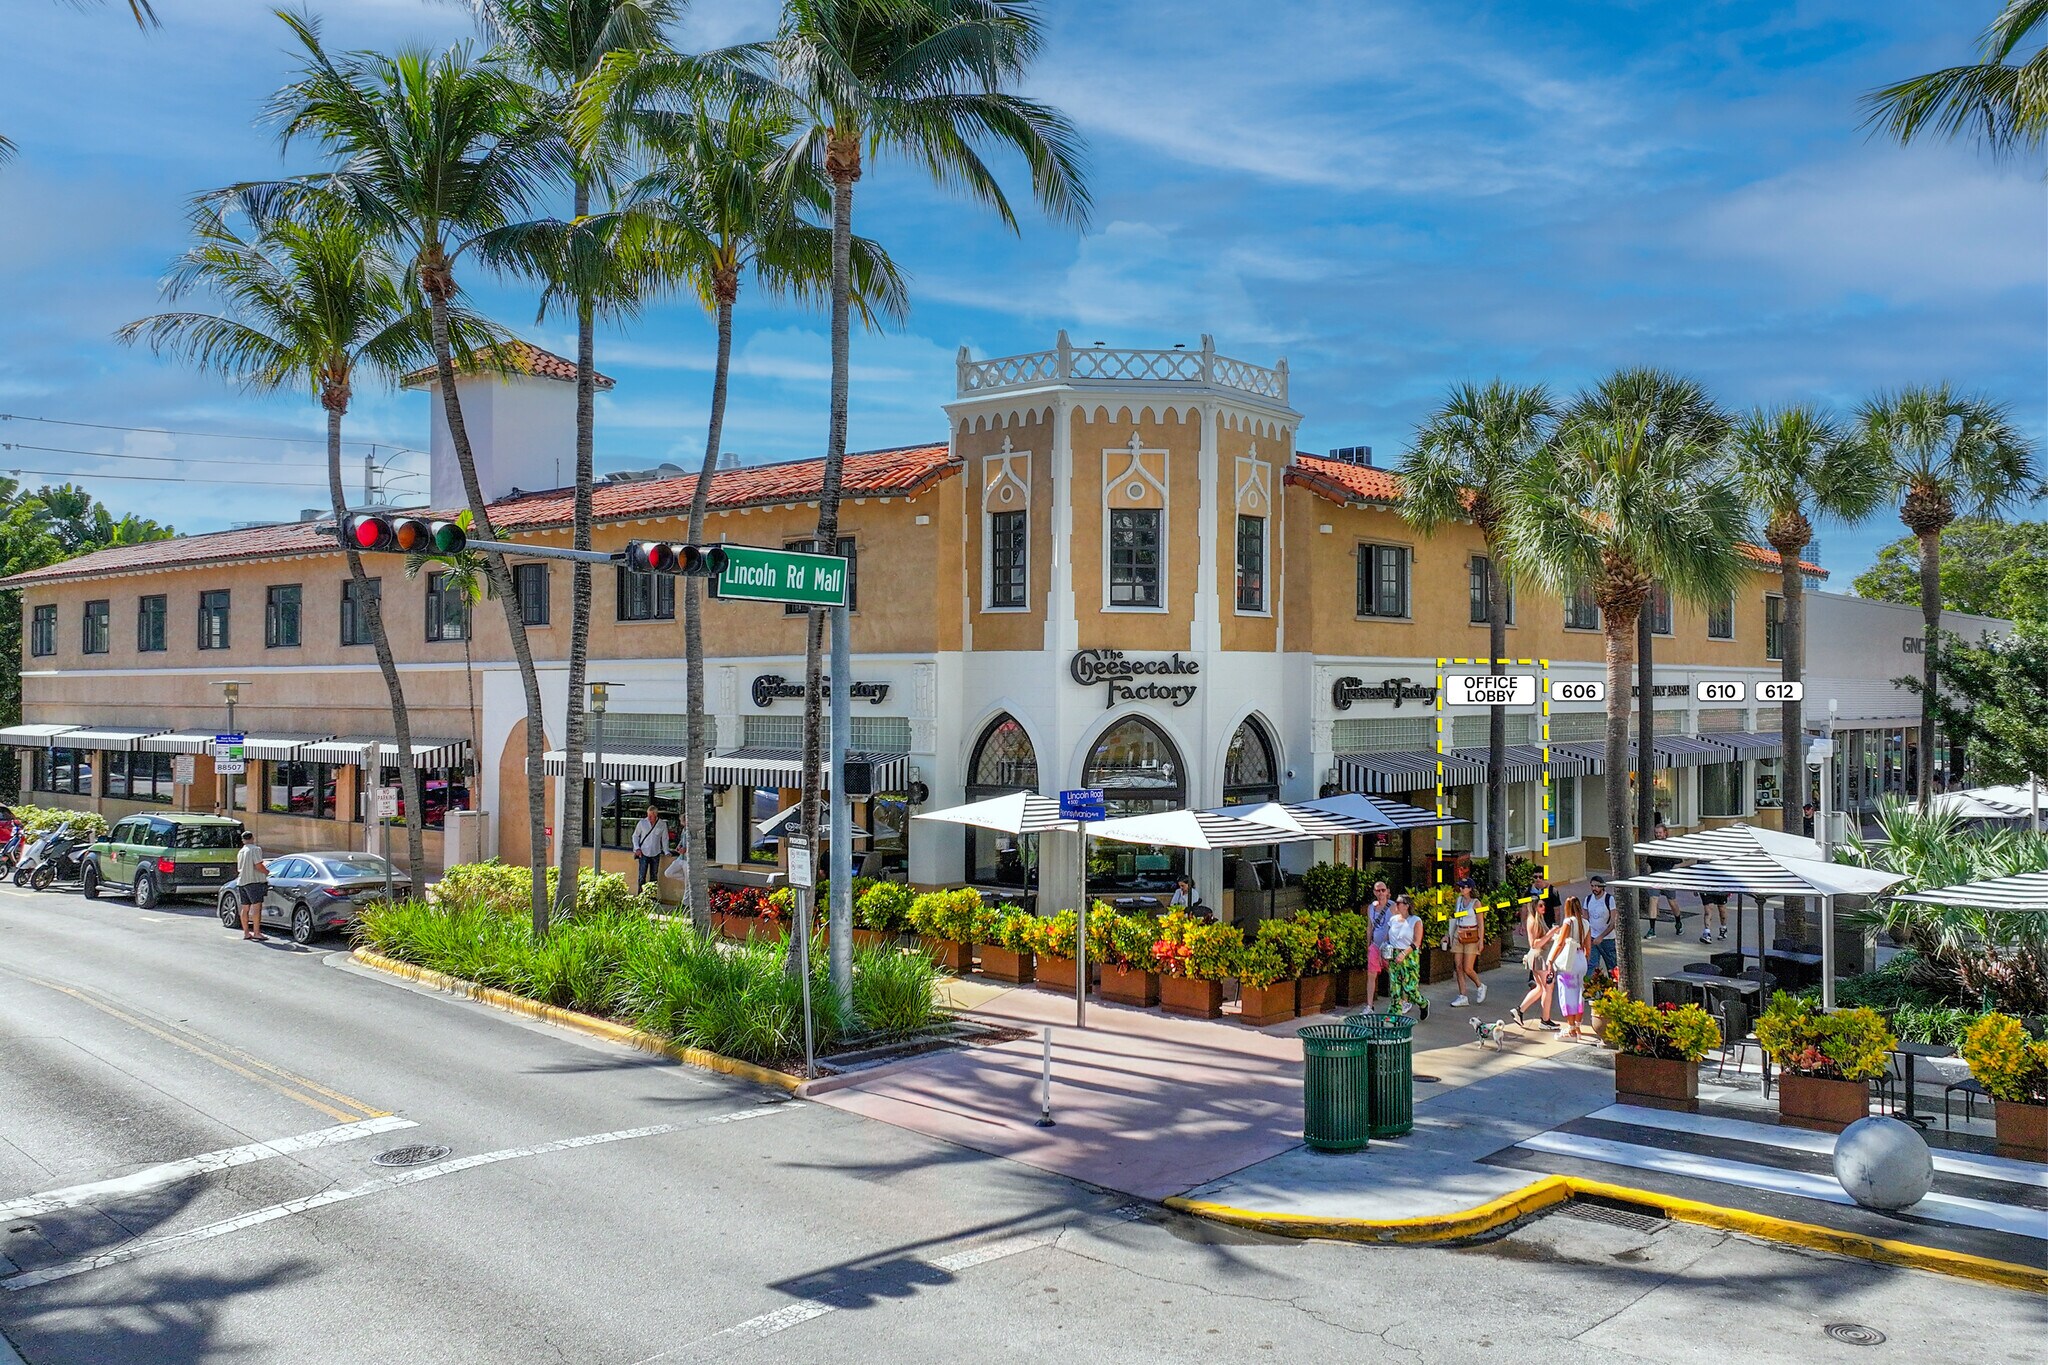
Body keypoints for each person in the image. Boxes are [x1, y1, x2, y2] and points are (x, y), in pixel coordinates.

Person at [1511, 893, 1558, 1030]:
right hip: (1539, 957)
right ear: (1534, 907)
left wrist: (1553, 934)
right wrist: (1550, 934)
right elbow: (1534, 943)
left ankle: (1519, 1011)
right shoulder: (1533, 921)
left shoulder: (1538, 919)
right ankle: (1545, 1020)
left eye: (1544, 905)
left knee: (1540, 988)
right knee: (1548, 988)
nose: (1544, 907)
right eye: (1541, 905)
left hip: (1539, 957)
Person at [1550, 896, 1592, 1040]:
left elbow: (1560, 943)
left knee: (1567, 996)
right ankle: (1578, 1027)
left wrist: (1551, 960)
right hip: (1581, 960)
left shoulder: (1568, 922)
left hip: (1569, 962)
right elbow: (1588, 948)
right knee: (1579, 995)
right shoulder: (1586, 923)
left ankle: (1570, 1029)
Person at [1385, 893, 1428, 1019]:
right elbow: (1388, 937)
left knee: (1410, 989)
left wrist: (1404, 954)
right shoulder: (1393, 920)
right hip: (1394, 955)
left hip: (1409, 956)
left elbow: (1417, 942)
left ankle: (1423, 1003)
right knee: (1395, 988)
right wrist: (1384, 946)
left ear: (1406, 906)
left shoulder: (1415, 921)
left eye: (1398, 903)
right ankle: (1394, 1014)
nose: (1396, 905)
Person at [1446, 879, 1485, 1007]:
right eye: (1460, 887)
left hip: (1471, 935)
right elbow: (1455, 918)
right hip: (1459, 933)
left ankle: (1480, 986)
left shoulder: (1476, 903)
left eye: (1464, 887)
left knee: (1468, 968)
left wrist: (1480, 940)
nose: (1461, 889)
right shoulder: (1459, 900)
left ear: (1470, 889)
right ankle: (1463, 995)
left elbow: (1480, 923)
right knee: (1458, 966)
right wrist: (1448, 934)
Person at [1363, 880, 1394, 1011]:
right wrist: (1368, 944)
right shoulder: (1371, 908)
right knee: (1371, 974)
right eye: (1378, 890)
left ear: (1387, 891)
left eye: (1383, 890)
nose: (1381, 893)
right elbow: (1369, 927)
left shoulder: (1394, 906)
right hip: (1375, 945)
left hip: (1389, 947)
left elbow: (1397, 926)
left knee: (1394, 974)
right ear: (1374, 892)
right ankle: (1369, 1005)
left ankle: (1401, 1001)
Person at [235, 831, 269, 942]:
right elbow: (258, 865)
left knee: (245, 908)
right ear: (252, 838)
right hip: (254, 881)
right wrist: (267, 872)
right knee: (256, 907)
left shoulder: (241, 852)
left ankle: (246, 932)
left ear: (243, 840)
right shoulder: (255, 849)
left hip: (242, 881)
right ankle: (257, 932)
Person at [1582, 875, 1618, 976]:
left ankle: (1615, 988)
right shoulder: (1588, 899)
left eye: (1597, 886)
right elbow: (1585, 918)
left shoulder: (1609, 899)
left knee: (1612, 966)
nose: (1594, 888)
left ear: (1602, 887)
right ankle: (1589, 989)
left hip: (1608, 940)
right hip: (1592, 938)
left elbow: (1613, 923)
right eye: (1592, 886)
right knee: (1591, 965)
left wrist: (1601, 936)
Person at [631, 807, 672, 892]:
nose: (649, 818)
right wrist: (637, 848)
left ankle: (652, 896)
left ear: (656, 815)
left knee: (654, 876)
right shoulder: (642, 823)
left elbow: (665, 839)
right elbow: (635, 836)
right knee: (642, 876)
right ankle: (641, 896)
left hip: (655, 852)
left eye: (651, 815)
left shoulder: (662, 824)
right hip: (643, 852)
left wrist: (666, 851)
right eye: (648, 815)